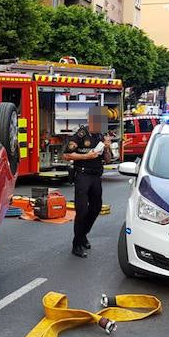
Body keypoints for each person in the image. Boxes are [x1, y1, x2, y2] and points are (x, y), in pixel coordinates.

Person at [63, 106, 113, 258]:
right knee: (82, 210)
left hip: (96, 176)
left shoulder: (101, 136)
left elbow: (108, 160)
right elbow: (66, 155)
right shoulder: (80, 135)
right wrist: (86, 157)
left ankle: (83, 234)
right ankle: (76, 245)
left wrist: (107, 148)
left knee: (96, 208)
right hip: (82, 176)